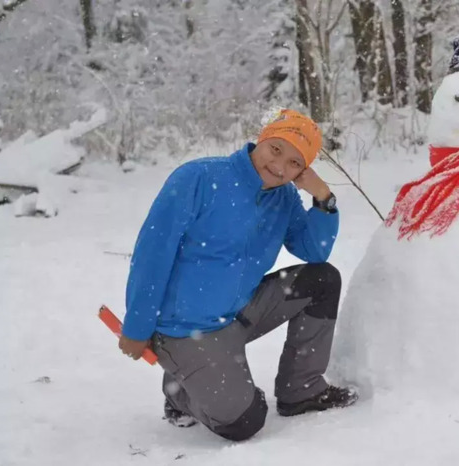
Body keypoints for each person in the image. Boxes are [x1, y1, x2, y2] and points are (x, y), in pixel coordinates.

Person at [118, 109, 357, 442]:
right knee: (244, 421)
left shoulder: (284, 197)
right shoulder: (198, 179)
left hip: (241, 313)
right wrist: (137, 327)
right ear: (262, 139)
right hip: (185, 329)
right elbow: (152, 255)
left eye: (294, 164)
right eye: (276, 150)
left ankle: (301, 391)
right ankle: (180, 395)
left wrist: (323, 199)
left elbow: (314, 251)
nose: (279, 167)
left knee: (322, 280)